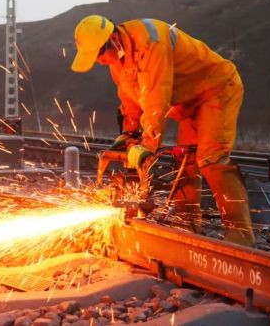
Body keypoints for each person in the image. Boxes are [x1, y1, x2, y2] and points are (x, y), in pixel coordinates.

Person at [71, 15, 255, 246]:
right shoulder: (117, 59)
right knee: (184, 159)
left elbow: (156, 98)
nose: (99, 61)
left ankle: (240, 234)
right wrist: (129, 133)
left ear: (113, 39)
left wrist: (147, 144)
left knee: (211, 158)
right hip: (188, 101)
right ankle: (185, 224)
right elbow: (130, 96)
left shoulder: (151, 43)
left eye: (99, 55)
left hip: (216, 89)